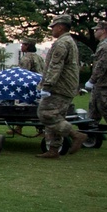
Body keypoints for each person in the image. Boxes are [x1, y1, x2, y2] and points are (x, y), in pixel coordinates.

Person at [36, 15, 88, 159]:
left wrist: (47, 86)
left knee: (45, 113)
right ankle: (54, 149)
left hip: (59, 87)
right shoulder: (69, 41)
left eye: (53, 27)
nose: (52, 30)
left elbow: (55, 66)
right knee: (58, 117)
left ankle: (76, 135)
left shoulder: (61, 43)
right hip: (67, 86)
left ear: (60, 27)